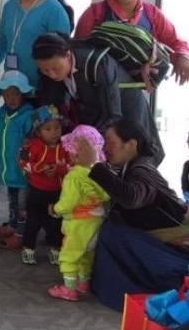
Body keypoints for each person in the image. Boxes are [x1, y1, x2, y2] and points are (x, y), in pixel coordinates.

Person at [71, 120, 189, 310]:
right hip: (156, 237)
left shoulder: (143, 169)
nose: (105, 148)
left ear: (131, 145)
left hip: (177, 246)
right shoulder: (127, 167)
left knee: (111, 233)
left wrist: (94, 164)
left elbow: (131, 198)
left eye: (110, 143)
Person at [32, 32, 165, 164]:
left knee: (137, 158)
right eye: (45, 70)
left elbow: (113, 115)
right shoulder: (57, 71)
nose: (52, 75)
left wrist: (90, 140)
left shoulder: (98, 64)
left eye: (56, 68)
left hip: (128, 111)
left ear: (68, 55)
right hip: (101, 116)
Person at [74, 0, 189, 85]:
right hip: (99, 83)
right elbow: (78, 48)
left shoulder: (152, 14)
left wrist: (183, 58)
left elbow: (175, 41)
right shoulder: (96, 11)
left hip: (136, 85)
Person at [47, 125, 110, 301]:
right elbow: (106, 195)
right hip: (95, 223)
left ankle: (69, 289)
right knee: (86, 256)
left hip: (78, 224)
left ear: (76, 154)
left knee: (69, 255)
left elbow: (69, 202)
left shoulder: (74, 176)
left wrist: (55, 209)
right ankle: (83, 283)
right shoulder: (99, 173)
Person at [0, 71, 35, 251]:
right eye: (7, 94)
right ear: (2, 95)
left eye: (16, 94)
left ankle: (21, 235)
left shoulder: (28, 115)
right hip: (7, 169)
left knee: (23, 204)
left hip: (23, 170)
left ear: (23, 94)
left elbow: (33, 140)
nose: (12, 98)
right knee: (12, 200)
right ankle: (13, 226)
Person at [18, 105, 67, 265]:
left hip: (57, 193)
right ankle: (28, 249)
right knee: (33, 222)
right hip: (36, 192)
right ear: (38, 132)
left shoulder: (65, 146)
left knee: (56, 223)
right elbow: (23, 162)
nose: (54, 132)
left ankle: (55, 250)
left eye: (57, 127)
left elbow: (72, 166)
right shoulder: (31, 145)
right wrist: (40, 168)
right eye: (48, 128)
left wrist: (59, 169)